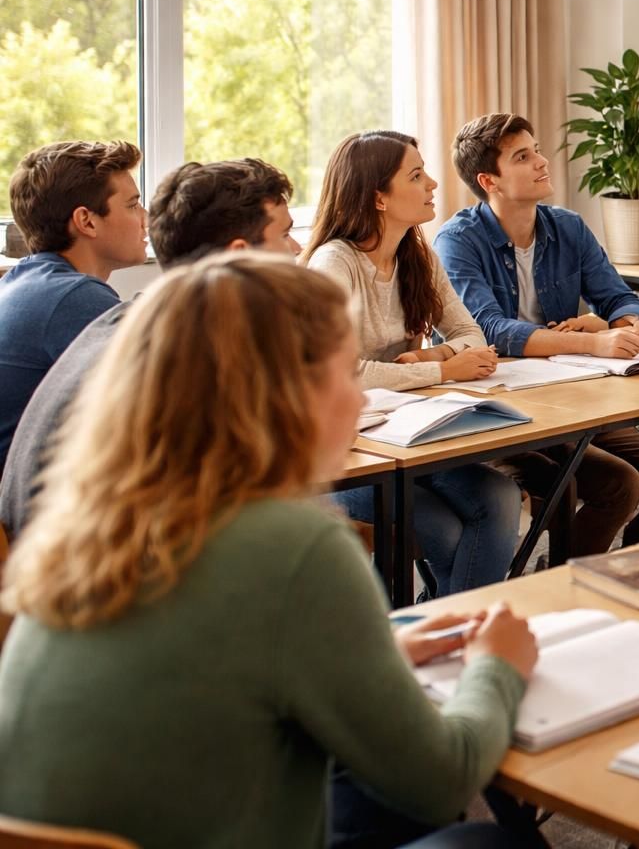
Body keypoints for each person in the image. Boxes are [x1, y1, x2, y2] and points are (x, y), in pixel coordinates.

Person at [0, 254, 538, 848]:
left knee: (374, 785)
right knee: (486, 843)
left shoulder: (95, 515)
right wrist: (498, 665)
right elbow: (443, 780)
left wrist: (362, 655)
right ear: (283, 394)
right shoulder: (296, 543)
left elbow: (205, 664)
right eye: (343, 375)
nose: (359, 401)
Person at [434, 112, 639, 556]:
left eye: (537, 149)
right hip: (496, 412)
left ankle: (631, 582)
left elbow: (618, 297)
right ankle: (563, 589)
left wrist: (636, 326)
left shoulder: (567, 227)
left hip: (572, 400)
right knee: (618, 483)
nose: (542, 161)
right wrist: (591, 341)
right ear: (490, 180)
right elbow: (488, 332)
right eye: (523, 156)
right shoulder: (458, 240)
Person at [0, 157, 299, 538]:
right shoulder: (139, 329)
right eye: (285, 234)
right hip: (65, 557)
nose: (297, 248)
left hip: (49, 549)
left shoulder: (121, 312)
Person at [305, 130, 520, 595]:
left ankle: (440, 630)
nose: (433, 185)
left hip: (409, 436)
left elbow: (471, 335)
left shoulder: (416, 255)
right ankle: (444, 635)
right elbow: (340, 373)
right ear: (378, 198)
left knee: (501, 496)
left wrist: (435, 352)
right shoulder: (334, 265)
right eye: (417, 175)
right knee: (444, 531)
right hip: (345, 455)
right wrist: (441, 370)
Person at [0, 140, 145, 474]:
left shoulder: (28, 280)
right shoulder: (73, 298)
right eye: (133, 205)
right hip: (27, 521)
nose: (146, 218)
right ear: (87, 221)